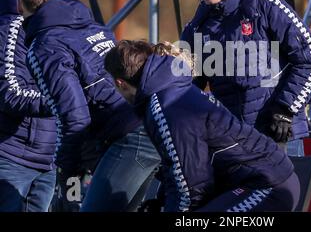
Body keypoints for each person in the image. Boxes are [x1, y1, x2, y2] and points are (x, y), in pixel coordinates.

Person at [18, 0, 161, 211]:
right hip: (151, 125)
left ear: (21, 5)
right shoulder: (92, 25)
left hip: (129, 137)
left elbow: (74, 117)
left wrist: (67, 170)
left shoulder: (45, 47)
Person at [104, 39, 300, 212]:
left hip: (265, 185)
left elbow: (192, 185)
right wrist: (162, 201)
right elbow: (178, 167)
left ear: (120, 83)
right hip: (259, 180)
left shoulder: (165, 107)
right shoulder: (172, 91)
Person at [180, 0, 311, 153]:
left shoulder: (265, 6)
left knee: (288, 187)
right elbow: (187, 84)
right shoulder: (197, 25)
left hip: (280, 135)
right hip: (232, 140)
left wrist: (285, 108)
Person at [0, 0, 56, 212]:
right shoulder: (11, 29)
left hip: (49, 158)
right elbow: (10, 93)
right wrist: (60, 102)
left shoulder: (62, 30)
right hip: (12, 155)